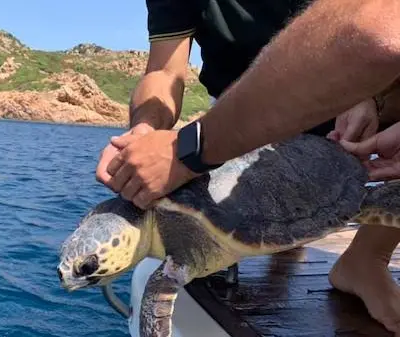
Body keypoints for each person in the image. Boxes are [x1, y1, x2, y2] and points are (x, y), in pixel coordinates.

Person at [95, 0, 400, 333]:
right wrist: (146, 130)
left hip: (342, 81)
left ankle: (368, 257)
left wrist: (362, 92)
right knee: (252, 217)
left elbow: (377, 27)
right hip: (236, 113)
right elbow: (163, 71)